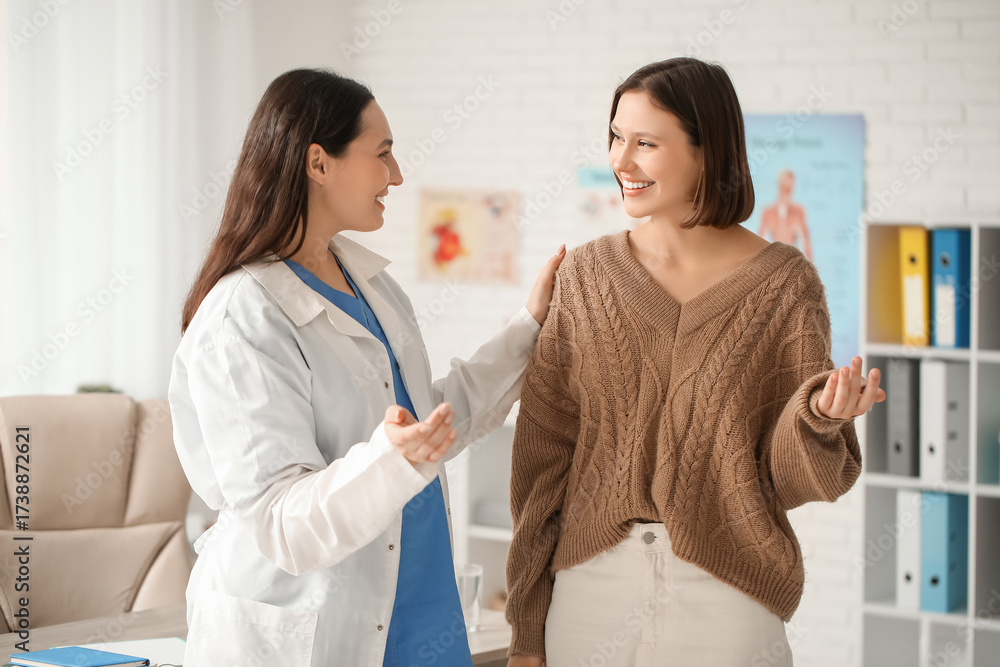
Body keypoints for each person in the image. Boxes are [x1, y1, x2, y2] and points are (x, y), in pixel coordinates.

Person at [167, 68, 564, 666]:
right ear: (319, 163)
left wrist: (528, 326)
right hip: (312, 631)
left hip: (418, 610)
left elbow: (432, 420)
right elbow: (280, 521)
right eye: (383, 155)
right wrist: (393, 459)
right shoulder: (242, 319)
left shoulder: (371, 285)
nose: (397, 176)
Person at [504, 58, 884, 667]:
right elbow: (542, 457)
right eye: (615, 137)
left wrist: (817, 419)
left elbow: (793, 480)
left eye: (645, 143)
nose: (621, 161)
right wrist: (526, 626)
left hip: (730, 592)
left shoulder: (786, 284)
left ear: (707, 152)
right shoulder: (586, 277)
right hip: (588, 590)